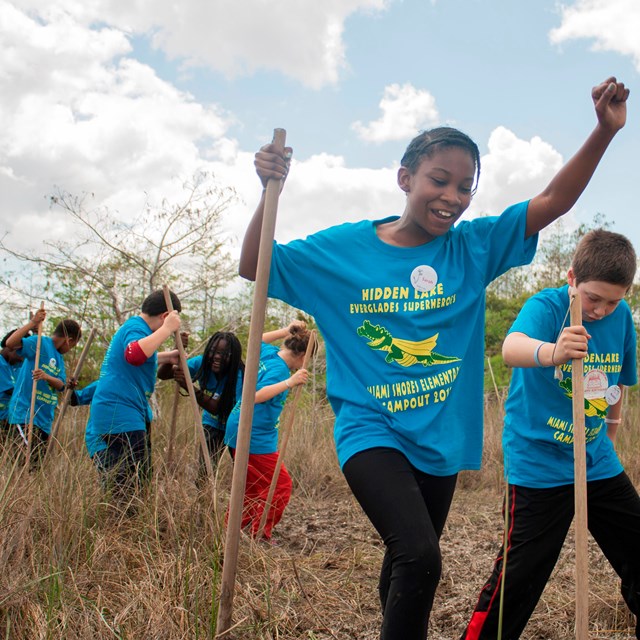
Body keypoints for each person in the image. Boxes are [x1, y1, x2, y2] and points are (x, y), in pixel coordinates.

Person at [239, 77, 629, 639]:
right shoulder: (343, 251)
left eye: (465, 187)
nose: (452, 197)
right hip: (370, 430)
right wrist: (265, 191)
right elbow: (257, 265)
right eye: (439, 181)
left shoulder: (471, 248)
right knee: (421, 556)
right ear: (405, 179)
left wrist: (603, 132)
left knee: (405, 561)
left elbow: (551, 203)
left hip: (440, 439)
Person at [462, 230, 640, 639]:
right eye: (593, 298)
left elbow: (618, 383)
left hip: (596, 460)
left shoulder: (622, 316)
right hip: (538, 463)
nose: (601, 310)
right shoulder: (547, 306)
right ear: (572, 277)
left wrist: (610, 434)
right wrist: (554, 352)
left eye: (613, 300)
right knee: (521, 575)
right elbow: (512, 348)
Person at [85, 289, 181, 502]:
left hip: (127, 412)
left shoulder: (136, 329)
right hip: (119, 412)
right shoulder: (136, 328)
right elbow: (134, 355)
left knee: (138, 475)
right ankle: (121, 527)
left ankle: (124, 524)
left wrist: (169, 356)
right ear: (165, 316)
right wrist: (167, 329)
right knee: (131, 481)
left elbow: (144, 356)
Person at [224, 321, 311, 541]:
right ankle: (260, 534)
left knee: (253, 486)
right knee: (280, 486)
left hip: (242, 426)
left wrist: (286, 330)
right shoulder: (279, 369)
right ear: (302, 356)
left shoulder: (271, 353)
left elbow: (258, 339)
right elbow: (254, 395)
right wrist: (290, 382)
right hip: (251, 435)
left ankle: (234, 530)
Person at [158, 331, 245, 474]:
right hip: (212, 423)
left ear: (233, 356)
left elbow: (216, 408)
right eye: (213, 351)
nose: (216, 357)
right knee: (205, 470)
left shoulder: (239, 375)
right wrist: (176, 352)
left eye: (223, 354)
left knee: (241, 471)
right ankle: (204, 495)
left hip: (235, 426)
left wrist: (188, 385)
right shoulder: (202, 363)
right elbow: (163, 374)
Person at [6, 311, 81, 467]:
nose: (70, 349)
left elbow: (60, 385)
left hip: (44, 420)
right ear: (68, 340)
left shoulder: (59, 359)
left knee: (36, 467)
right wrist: (33, 323)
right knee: (22, 465)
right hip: (26, 414)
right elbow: (10, 343)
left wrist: (47, 377)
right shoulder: (39, 343)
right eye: (72, 346)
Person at [0, 329, 25, 431]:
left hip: (9, 419)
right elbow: (11, 390)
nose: (22, 359)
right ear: (13, 348)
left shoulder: (15, 365)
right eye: (22, 354)